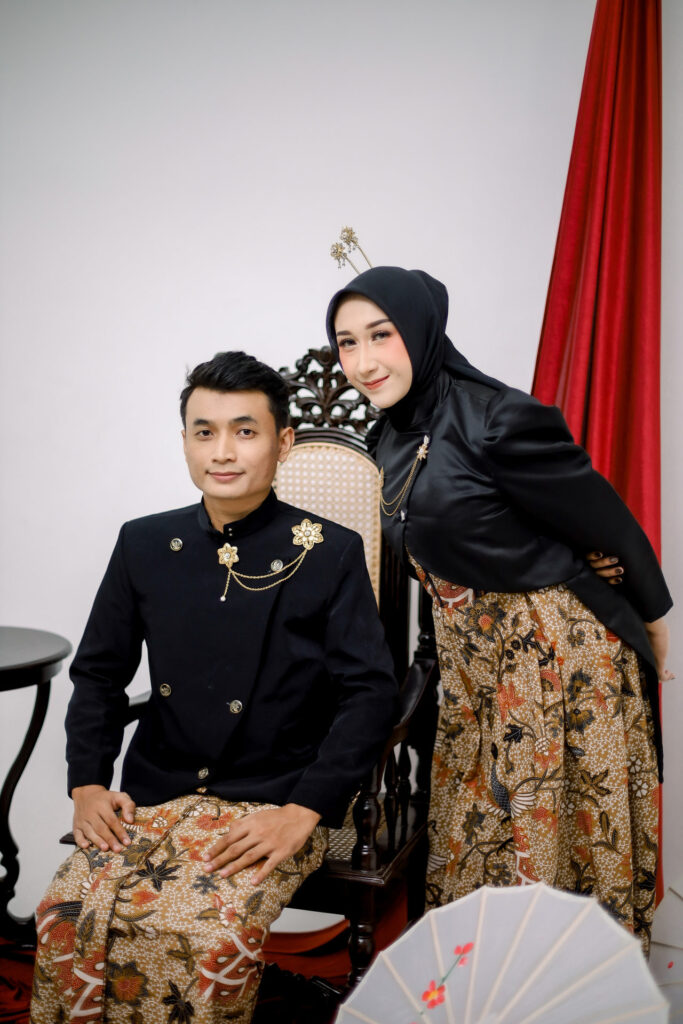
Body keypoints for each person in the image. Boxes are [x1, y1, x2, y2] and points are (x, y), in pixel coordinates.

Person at [31, 351, 397, 1024]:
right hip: (156, 787)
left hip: (274, 796)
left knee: (208, 934)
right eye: (205, 432)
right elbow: (100, 672)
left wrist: (303, 810)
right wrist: (86, 783)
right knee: (63, 915)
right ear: (185, 441)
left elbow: (370, 694)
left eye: (244, 430)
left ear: (282, 442)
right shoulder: (144, 543)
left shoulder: (330, 550)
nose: (222, 451)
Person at [326, 266, 673, 954]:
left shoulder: (496, 416)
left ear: (421, 330)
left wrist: (655, 622)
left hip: (556, 662)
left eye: (380, 335)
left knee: (556, 845)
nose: (363, 362)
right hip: (471, 671)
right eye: (346, 343)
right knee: (473, 845)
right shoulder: (385, 437)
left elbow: (606, 520)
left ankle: (569, 991)